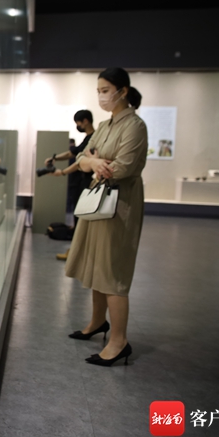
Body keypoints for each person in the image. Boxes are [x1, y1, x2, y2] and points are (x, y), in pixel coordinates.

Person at [65, 67, 147, 367]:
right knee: (97, 265)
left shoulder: (134, 126)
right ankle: (98, 322)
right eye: (98, 91)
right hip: (97, 200)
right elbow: (81, 158)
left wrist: (95, 161)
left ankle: (119, 341)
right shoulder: (104, 125)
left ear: (122, 91)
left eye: (105, 90)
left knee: (113, 271)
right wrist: (95, 160)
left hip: (119, 204)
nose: (101, 96)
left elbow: (122, 168)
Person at [44, 110, 96, 260]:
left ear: (85, 121)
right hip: (80, 183)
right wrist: (55, 158)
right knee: (78, 217)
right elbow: (72, 153)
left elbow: (80, 162)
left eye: (78, 123)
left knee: (81, 218)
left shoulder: (93, 139)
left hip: (85, 182)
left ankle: (76, 253)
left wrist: (62, 172)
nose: (77, 126)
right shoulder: (88, 139)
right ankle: (76, 251)